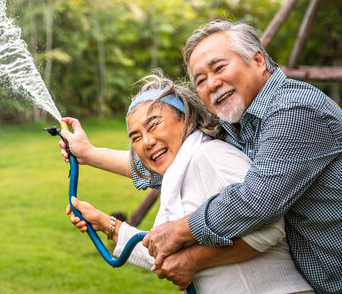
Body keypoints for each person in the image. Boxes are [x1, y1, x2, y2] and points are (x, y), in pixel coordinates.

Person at [60, 20, 342, 293]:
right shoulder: (243, 125)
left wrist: (180, 236)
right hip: (334, 281)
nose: (211, 83)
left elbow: (256, 203)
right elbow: (162, 164)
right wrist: (88, 155)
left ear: (257, 59)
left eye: (219, 67)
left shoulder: (294, 111)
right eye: (200, 79)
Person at [66, 74, 313, 293]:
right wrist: (106, 224)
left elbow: (269, 227)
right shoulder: (179, 177)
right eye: (136, 137)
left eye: (154, 125)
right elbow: (166, 254)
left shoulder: (211, 156)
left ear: (184, 119)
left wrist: (194, 261)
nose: (147, 142)